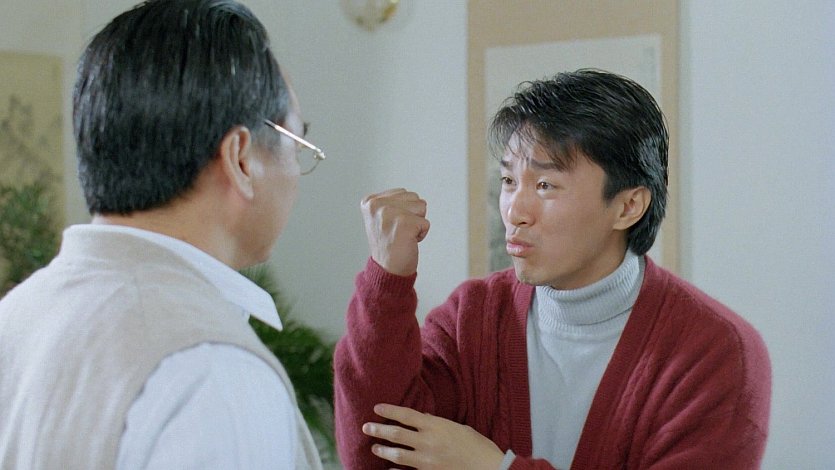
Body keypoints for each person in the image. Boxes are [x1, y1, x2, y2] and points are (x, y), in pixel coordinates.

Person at [334, 69, 771, 469]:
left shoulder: (717, 352)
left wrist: (497, 468)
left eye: (545, 185)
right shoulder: (473, 317)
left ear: (628, 206)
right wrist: (387, 279)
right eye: (509, 181)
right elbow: (374, 452)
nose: (514, 212)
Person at [0, 1, 327, 468]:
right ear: (240, 158)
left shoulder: (16, 314)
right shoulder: (213, 370)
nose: (297, 169)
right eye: (297, 142)